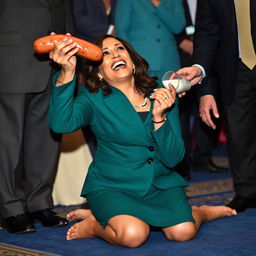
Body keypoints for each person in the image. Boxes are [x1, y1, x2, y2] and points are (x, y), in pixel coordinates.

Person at [48, 34, 236, 247]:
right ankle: (93, 225)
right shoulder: (92, 98)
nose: (115, 55)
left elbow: (174, 158)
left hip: (160, 185)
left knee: (183, 232)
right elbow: (60, 125)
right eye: (106, 53)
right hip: (113, 186)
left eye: (120, 48)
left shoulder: (162, 91)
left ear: (132, 60)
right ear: (99, 73)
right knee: (133, 235)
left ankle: (199, 212)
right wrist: (67, 71)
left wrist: (159, 119)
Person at [0, 0, 74, 234]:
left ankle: (39, 202)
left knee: (47, 136)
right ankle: (9, 207)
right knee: (8, 140)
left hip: (56, 58)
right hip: (11, 56)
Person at [176, 0, 256, 213]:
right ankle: (246, 192)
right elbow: (207, 34)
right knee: (239, 133)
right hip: (234, 71)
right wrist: (201, 75)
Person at [175, 0, 228, 179]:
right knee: (182, 114)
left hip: (208, 61)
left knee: (208, 110)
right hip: (181, 61)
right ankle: (183, 163)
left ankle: (203, 158)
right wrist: (183, 42)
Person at [72, 0, 117, 155]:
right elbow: (76, 18)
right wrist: (110, 30)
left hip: (113, 61)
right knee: (92, 106)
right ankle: (95, 154)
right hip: (86, 59)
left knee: (112, 107)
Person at [115, 0, 185, 79]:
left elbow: (178, 27)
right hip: (141, 60)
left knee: (172, 90)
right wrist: (130, 58)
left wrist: (158, 4)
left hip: (169, 61)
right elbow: (122, 30)